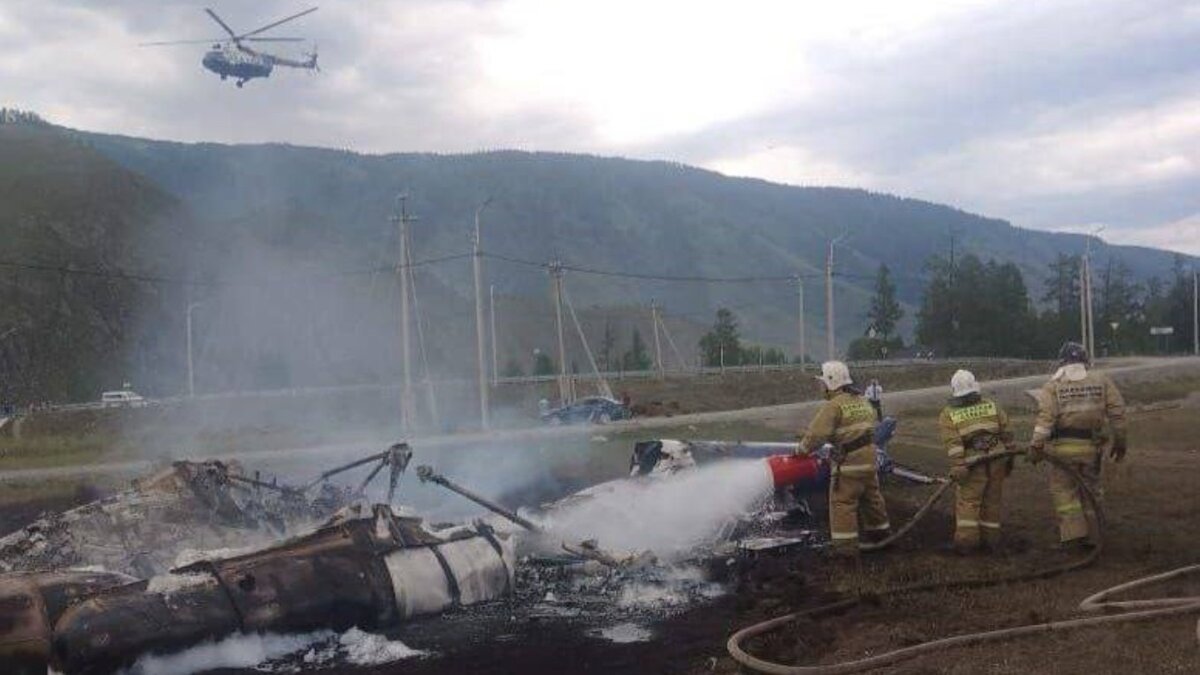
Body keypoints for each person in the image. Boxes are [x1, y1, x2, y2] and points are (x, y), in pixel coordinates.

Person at [1028, 342, 1127, 550]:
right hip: (1092, 450)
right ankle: (1095, 534)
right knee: (1091, 491)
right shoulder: (1102, 381)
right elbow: (1117, 413)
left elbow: (1045, 420)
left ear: (1062, 362)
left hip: (1064, 450)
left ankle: (1074, 537)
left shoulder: (1053, 386)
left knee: (1065, 493)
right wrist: (1120, 442)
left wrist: (1036, 447)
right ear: (1085, 360)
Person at [796, 361, 890, 555]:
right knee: (872, 498)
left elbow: (816, 435)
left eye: (822, 382)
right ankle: (882, 536)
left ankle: (845, 549)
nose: (820, 386)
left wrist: (801, 450)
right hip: (870, 461)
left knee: (843, 503)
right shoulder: (862, 401)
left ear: (831, 382)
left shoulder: (834, 405)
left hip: (849, 465)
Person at [937, 370, 1016, 554]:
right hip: (997, 459)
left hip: (973, 464)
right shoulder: (991, 406)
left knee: (969, 503)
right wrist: (1010, 456)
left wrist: (958, 464)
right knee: (992, 501)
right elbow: (1007, 433)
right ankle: (991, 541)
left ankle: (966, 544)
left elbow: (954, 444)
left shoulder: (948, 414)